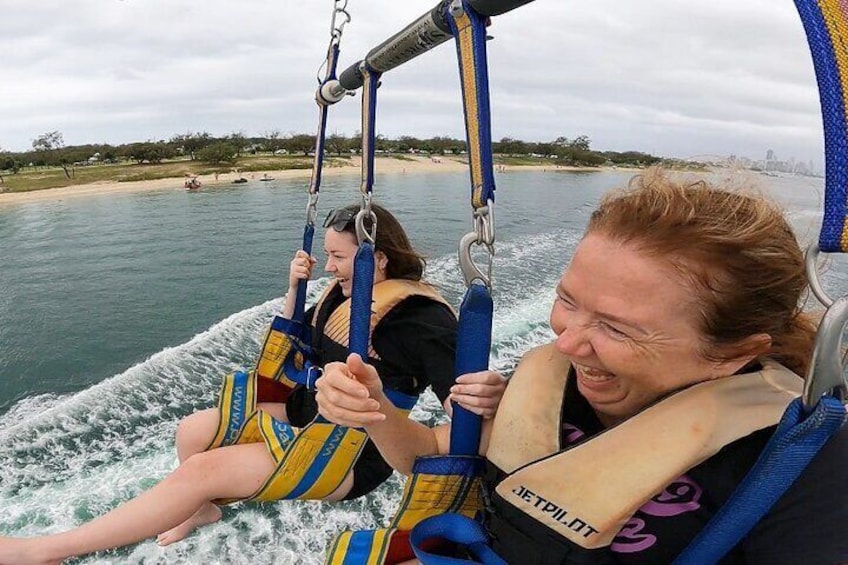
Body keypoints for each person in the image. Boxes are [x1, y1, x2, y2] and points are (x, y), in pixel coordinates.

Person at [316, 169, 848, 564]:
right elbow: (429, 455)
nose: (567, 343)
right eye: (567, 300)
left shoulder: (802, 468)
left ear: (734, 352)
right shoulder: (547, 381)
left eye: (617, 328)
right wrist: (375, 409)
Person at [0, 203, 506, 565]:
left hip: (350, 450)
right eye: (326, 255)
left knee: (204, 467)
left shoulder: (418, 318)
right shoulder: (342, 294)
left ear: (376, 259)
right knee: (193, 431)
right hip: (308, 411)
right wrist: (294, 288)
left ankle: (50, 549)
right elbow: (295, 346)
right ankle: (201, 512)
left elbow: (464, 415)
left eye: (338, 256)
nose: (328, 266)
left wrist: (484, 395)